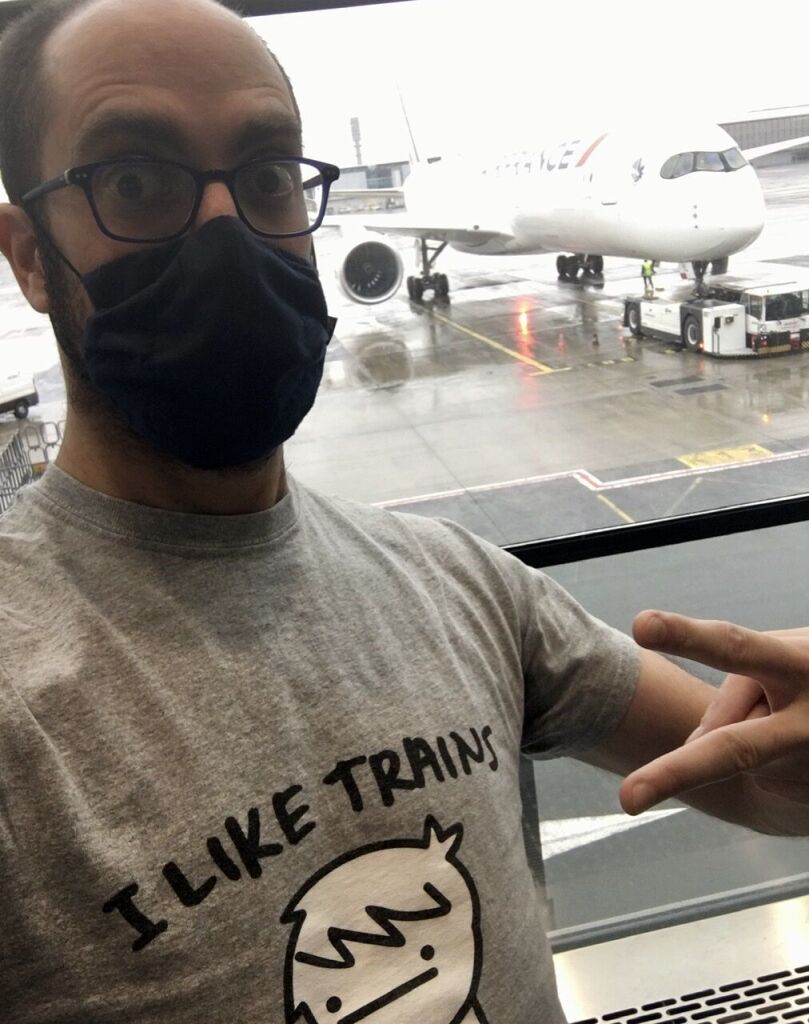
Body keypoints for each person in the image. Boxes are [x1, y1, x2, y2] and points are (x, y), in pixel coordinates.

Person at [0, 1, 806, 1021]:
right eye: (134, 182)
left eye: (265, 177)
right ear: (28, 255)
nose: (225, 232)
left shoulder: (461, 585)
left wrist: (795, 772)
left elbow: (741, 767)